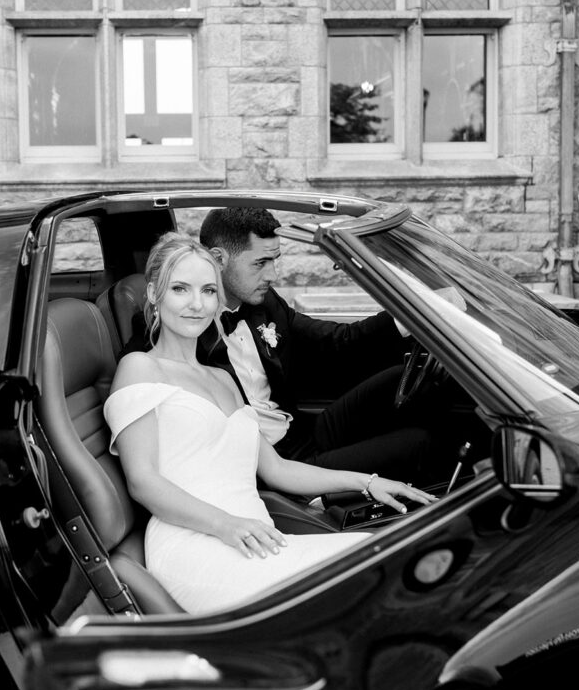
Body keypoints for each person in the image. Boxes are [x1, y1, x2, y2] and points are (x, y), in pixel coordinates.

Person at [104, 232, 435, 614]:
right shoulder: (140, 367)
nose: (197, 304)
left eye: (208, 291)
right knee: (373, 589)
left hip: (260, 538)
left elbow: (276, 469)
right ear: (153, 295)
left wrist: (368, 482)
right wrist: (225, 524)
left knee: (401, 559)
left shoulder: (223, 379)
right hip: (197, 547)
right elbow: (143, 481)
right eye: (180, 289)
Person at [199, 206, 442, 483]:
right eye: (260, 263)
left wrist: (415, 314)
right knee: (418, 443)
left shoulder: (264, 304)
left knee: (407, 380)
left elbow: (335, 340)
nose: (272, 275)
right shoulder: (186, 332)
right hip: (275, 464)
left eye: (274, 260)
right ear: (218, 259)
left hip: (300, 433)